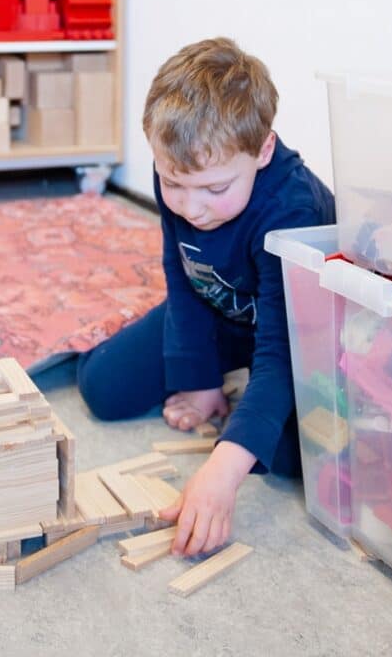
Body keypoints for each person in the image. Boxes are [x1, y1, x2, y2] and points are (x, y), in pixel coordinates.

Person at [77, 37, 335, 556]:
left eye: (215, 190)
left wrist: (222, 469)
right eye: (174, 185)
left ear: (262, 150)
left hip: (303, 330)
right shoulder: (181, 163)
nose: (191, 208)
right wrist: (198, 381)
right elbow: (184, 274)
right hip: (226, 309)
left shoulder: (292, 209)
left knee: (291, 455)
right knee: (103, 387)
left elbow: (283, 349)